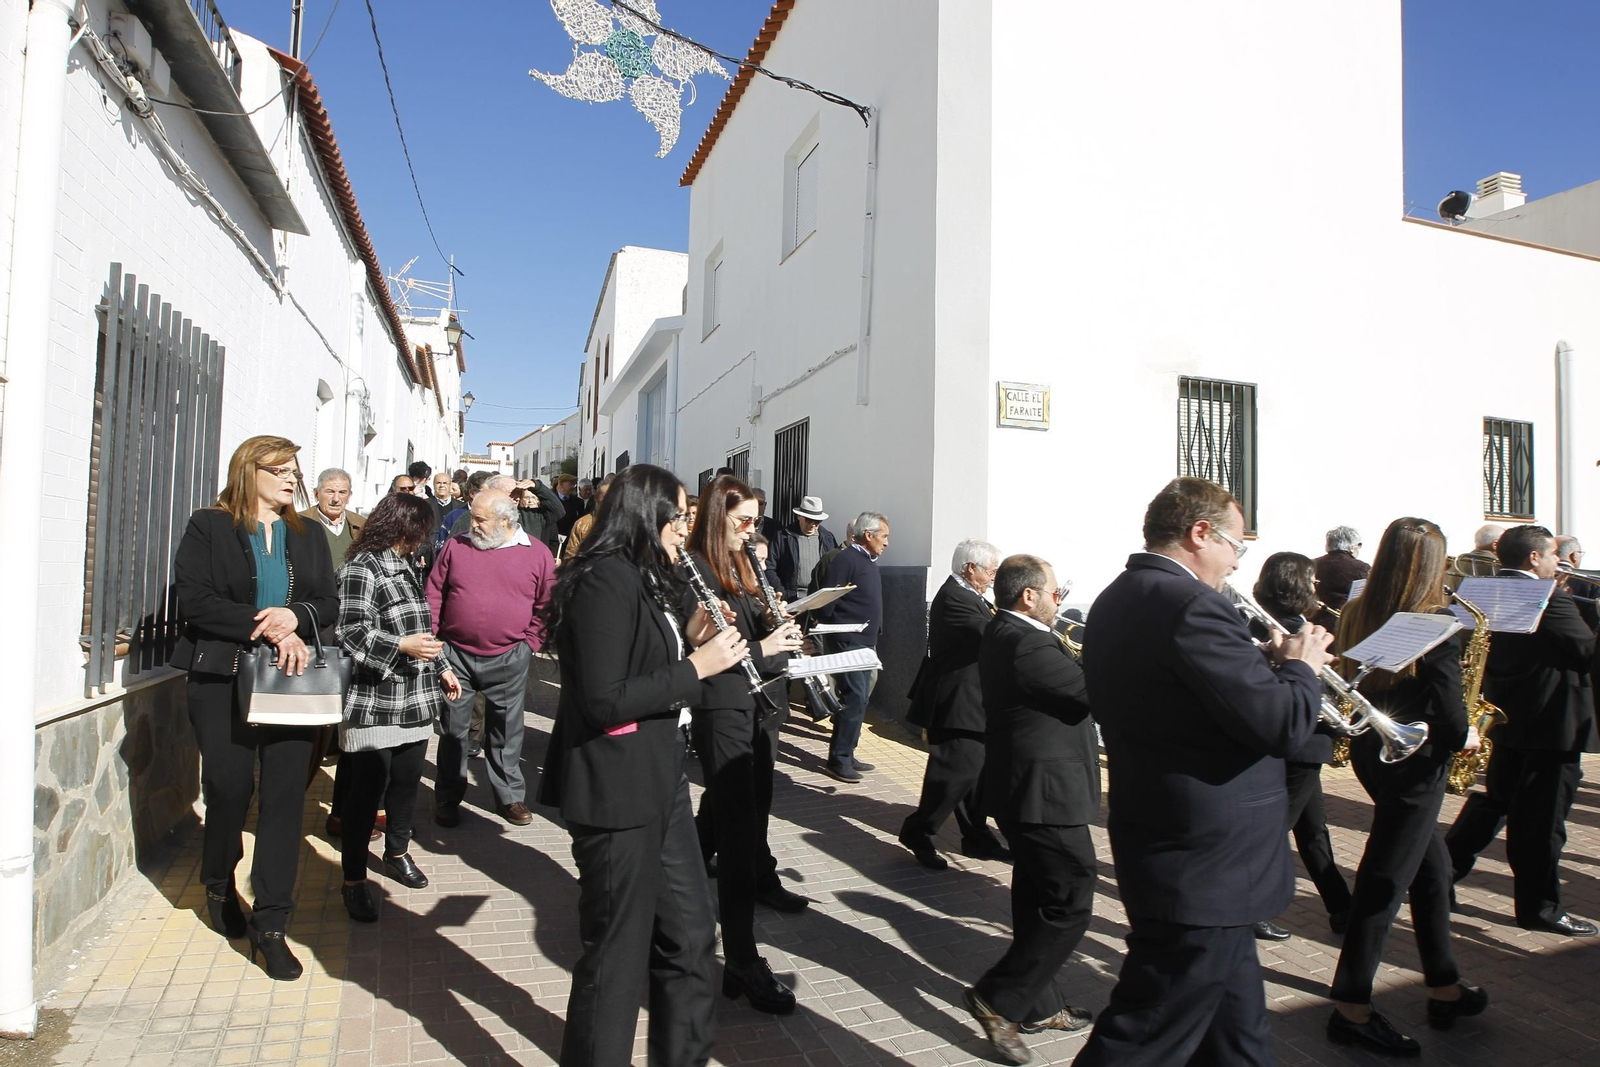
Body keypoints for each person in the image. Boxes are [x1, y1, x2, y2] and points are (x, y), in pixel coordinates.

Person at [1073, 478, 1330, 1067]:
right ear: (1199, 534)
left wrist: (1256, 664)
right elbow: (1282, 726)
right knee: (1144, 1032)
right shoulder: (1194, 604)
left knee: (1238, 1037)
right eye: (1236, 546)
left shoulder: (1121, 594)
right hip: (1207, 861)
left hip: (1177, 843)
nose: (1239, 561)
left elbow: (1183, 694)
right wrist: (1301, 669)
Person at [537, 463, 746, 1067]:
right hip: (615, 790)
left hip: (660, 782)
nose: (687, 527)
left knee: (690, 938)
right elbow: (604, 698)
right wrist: (697, 667)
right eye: (679, 515)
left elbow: (647, 658)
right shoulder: (604, 578)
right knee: (617, 960)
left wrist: (693, 634)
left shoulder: (645, 577)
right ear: (644, 514)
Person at [170, 435, 338, 981]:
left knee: (286, 796)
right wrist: (269, 624)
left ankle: (271, 922)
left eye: (295, 470)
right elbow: (194, 601)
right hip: (221, 677)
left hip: (289, 679)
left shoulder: (308, 534)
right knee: (229, 788)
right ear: (249, 471)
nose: (292, 479)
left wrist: (299, 619)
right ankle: (218, 882)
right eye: (280, 469)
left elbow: (327, 601)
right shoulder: (209, 526)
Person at [1323, 517, 1486, 1055]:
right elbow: (1453, 719)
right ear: (1431, 565)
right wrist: (1472, 733)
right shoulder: (1434, 622)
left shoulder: (1358, 609)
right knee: (1384, 882)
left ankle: (1443, 985)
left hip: (1378, 751)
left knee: (1433, 870)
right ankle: (1351, 1005)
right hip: (1417, 762)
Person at [964, 554, 1099, 1065]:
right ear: (1029, 596)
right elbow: (1090, 693)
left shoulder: (1008, 631)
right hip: (1044, 793)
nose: (1058, 602)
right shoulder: (1027, 642)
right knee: (1071, 897)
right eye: (1055, 594)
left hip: (1030, 789)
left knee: (1036, 896)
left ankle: (1040, 1006)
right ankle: (999, 997)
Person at [682, 475, 806, 1015]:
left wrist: (775, 615)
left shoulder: (743, 564)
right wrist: (767, 643)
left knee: (734, 817)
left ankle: (668, 897)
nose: (754, 529)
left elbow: (751, 635)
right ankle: (741, 959)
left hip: (756, 704)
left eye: (756, 518)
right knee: (736, 832)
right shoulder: (698, 569)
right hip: (723, 707)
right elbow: (708, 651)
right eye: (745, 519)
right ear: (718, 517)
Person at [1445, 523, 1597, 936]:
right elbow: (1588, 652)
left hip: (1505, 717)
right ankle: (1540, 909)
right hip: (1553, 723)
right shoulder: (1552, 598)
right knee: (1543, 823)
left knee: (1494, 803)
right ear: (1534, 557)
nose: (1557, 563)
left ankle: (1439, 877)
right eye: (1552, 556)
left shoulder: (1482, 588)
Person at [334, 493, 463, 922]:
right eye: (420, 529)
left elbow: (421, 627)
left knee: (406, 782)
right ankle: (353, 878)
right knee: (366, 791)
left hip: (415, 697)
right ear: (400, 525)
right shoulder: (361, 568)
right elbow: (350, 632)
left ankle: (398, 852)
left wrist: (442, 666)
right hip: (375, 697)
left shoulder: (409, 564)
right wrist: (400, 647)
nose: (425, 538)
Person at [428, 490, 558, 827]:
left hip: (509, 656)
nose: (473, 525)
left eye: (480, 519)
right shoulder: (457, 546)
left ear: (505, 520)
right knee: (454, 731)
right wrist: (436, 640)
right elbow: (434, 592)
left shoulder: (537, 554)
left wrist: (529, 644)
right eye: (473, 517)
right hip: (456, 654)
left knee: (506, 731)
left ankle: (509, 797)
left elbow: (547, 605)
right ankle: (447, 795)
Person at [1246, 552, 1353, 942]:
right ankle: (1249, 910)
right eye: (1312, 581)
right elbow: (1307, 692)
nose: (1316, 589)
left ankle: (1342, 908)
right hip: (1303, 746)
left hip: (1301, 745)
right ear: (1299, 586)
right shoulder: (1292, 631)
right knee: (1277, 833)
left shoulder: (1261, 622)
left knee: (1313, 831)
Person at [900, 539, 1010, 869]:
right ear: (970, 568)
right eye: (990, 571)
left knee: (972, 776)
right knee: (952, 774)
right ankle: (918, 830)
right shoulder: (955, 598)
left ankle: (977, 838)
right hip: (954, 704)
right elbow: (993, 636)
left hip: (969, 703)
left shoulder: (971, 595)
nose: (993, 577)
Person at [816, 512, 890, 782]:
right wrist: (836, 629)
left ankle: (848, 751)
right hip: (848, 640)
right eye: (884, 536)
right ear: (868, 535)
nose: (887, 543)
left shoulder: (866, 561)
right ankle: (839, 759)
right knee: (854, 696)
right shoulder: (846, 559)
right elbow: (827, 601)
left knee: (860, 698)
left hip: (864, 641)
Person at [771, 496, 840, 601]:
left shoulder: (828, 538)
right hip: (791, 599)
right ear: (799, 516)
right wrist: (781, 592)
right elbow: (769, 566)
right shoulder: (783, 536)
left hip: (818, 598)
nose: (812, 525)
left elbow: (835, 567)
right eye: (808, 520)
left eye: (817, 521)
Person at [299, 468, 366, 566]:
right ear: (316, 494)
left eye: (342, 492)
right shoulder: (299, 523)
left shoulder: (362, 525)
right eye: (330, 492)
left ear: (349, 496)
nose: (336, 499)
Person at [1313, 525, 1369, 610]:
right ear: (1353, 547)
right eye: (1359, 545)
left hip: (1313, 618)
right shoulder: (1362, 568)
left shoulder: (1311, 564)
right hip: (1344, 618)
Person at [563, 474, 614, 563]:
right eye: (605, 499)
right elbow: (570, 557)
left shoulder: (625, 523)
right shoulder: (582, 524)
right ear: (596, 498)